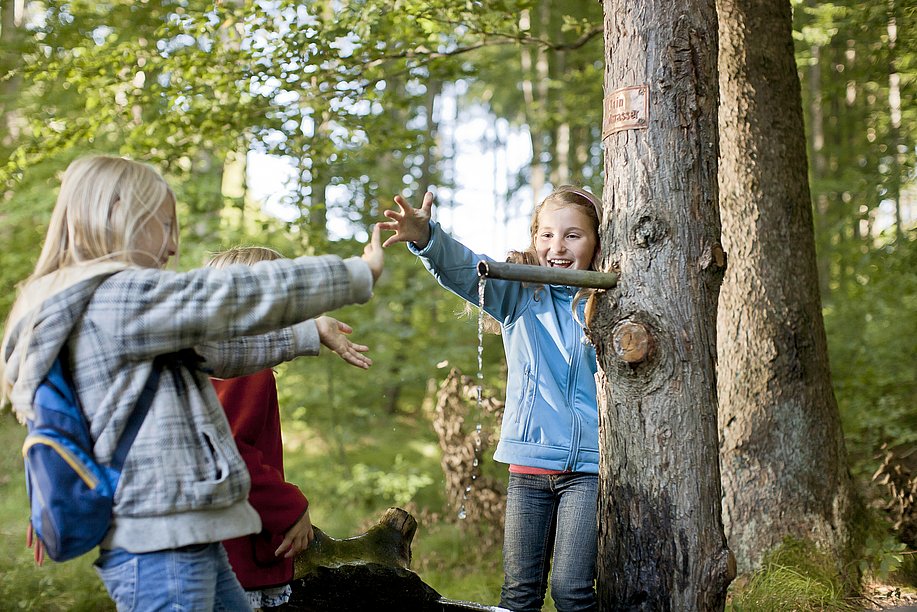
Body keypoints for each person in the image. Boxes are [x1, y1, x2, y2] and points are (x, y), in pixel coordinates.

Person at [0, 155, 384, 611]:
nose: (172, 246)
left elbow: (217, 352)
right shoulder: (118, 297)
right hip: (162, 544)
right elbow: (229, 296)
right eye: (163, 225)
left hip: (185, 534)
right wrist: (357, 274)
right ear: (117, 213)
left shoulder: (115, 312)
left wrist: (308, 333)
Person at [380, 186, 601, 612]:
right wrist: (427, 239)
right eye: (547, 235)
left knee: (572, 591)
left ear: (596, 241)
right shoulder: (520, 294)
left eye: (573, 235)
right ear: (534, 239)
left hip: (588, 471)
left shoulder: (607, 302)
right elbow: (464, 269)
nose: (557, 246)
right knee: (520, 593)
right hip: (530, 467)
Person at [207, 246, 373, 611]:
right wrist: (291, 508)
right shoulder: (247, 368)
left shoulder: (207, 363)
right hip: (234, 556)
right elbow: (230, 455)